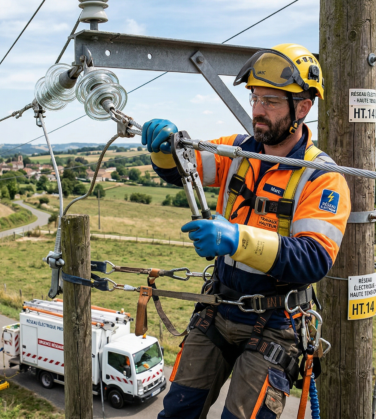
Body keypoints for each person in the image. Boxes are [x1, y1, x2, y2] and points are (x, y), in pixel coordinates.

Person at [143, 44, 351, 418]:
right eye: (255, 98)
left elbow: (313, 258)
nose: (257, 110)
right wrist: (164, 147)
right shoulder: (238, 151)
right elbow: (181, 169)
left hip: (276, 321)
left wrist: (236, 239)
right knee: (176, 414)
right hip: (220, 306)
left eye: (270, 101)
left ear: (302, 108)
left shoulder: (322, 178)